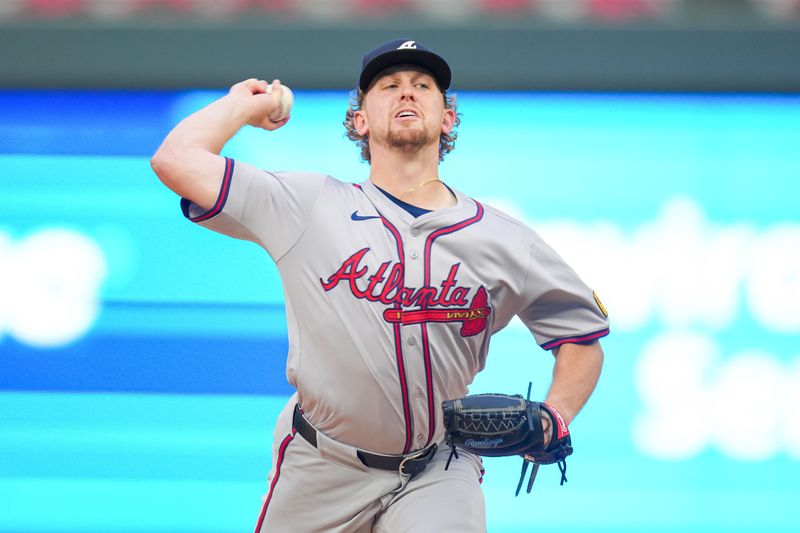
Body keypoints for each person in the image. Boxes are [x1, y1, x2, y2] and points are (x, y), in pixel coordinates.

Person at [151, 38, 609, 533]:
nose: (406, 93)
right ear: (360, 121)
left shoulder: (504, 239)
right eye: (389, 86)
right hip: (320, 465)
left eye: (423, 86)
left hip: (438, 469)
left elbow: (581, 338)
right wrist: (241, 105)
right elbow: (175, 159)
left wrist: (556, 416)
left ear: (448, 119)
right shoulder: (305, 204)